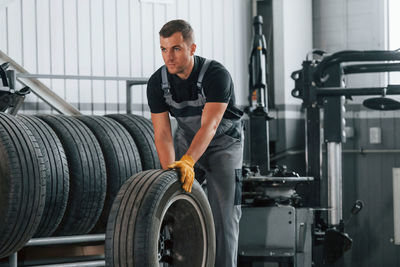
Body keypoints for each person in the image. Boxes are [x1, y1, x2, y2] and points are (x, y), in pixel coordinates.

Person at [146, 19, 244, 267]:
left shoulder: (216, 75)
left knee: (224, 216)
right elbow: (163, 134)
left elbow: (210, 126)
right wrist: (171, 173)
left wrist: (189, 161)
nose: (169, 57)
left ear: (192, 48)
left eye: (176, 48)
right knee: (175, 206)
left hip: (224, 146)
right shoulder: (157, 83)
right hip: (186, 141)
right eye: (164, 49)